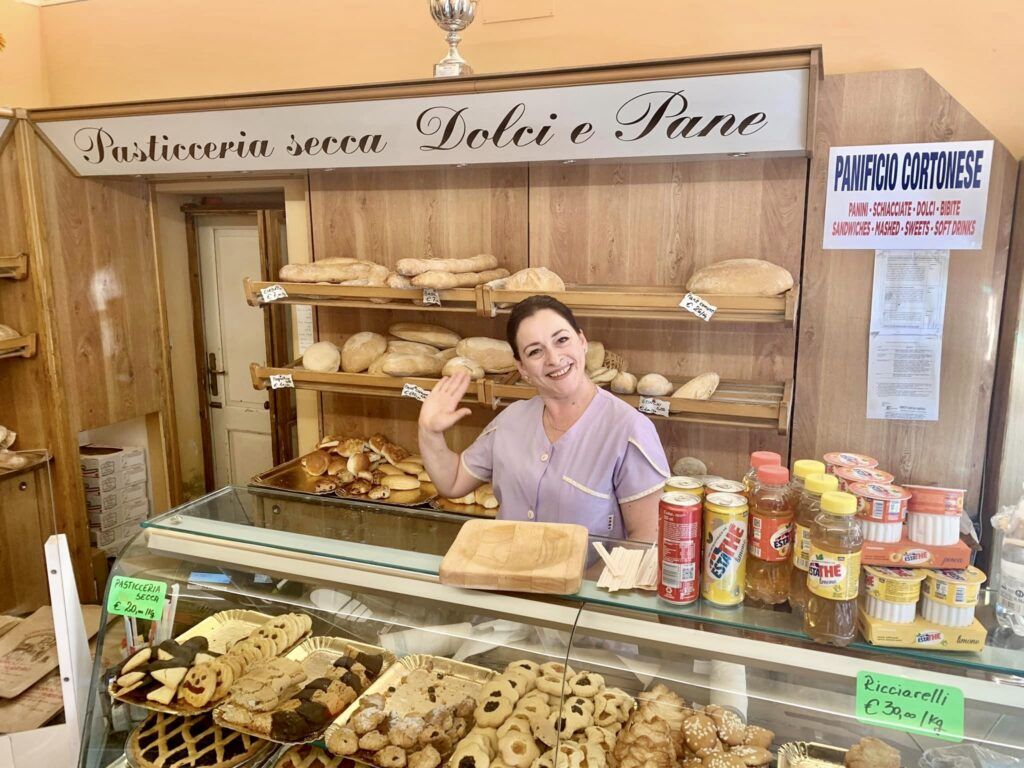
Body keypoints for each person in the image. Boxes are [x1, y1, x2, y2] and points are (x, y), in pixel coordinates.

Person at [418, 295, 669, 541]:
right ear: (522, 368)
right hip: (508, 578)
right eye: (535, 351)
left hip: (588, 583)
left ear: (582, 341)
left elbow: (646, 540)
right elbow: (452, 482)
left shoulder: (628, 430)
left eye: (561, 340)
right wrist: (429, 431)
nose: (554, 358)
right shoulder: (510, 422)